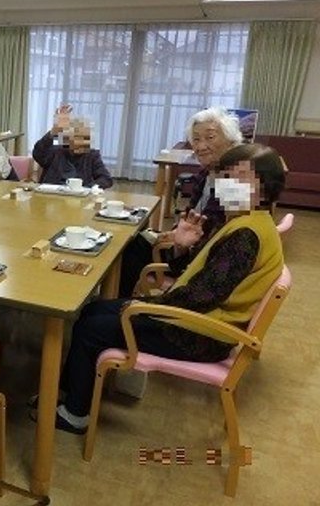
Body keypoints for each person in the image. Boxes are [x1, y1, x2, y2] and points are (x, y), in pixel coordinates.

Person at [37, 143, 285, 434]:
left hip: (201, 333)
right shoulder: (246, 222)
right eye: (226, 177)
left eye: (241, 180)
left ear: (265, 189)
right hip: (197, 319)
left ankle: (75, 413)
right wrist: (181, 247)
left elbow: (201, 297)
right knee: (93, 310)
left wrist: (144, 307)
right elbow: (202, 279)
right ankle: (68, 393)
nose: (229, 185)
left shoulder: (246, 234)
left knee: (92, 328)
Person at [118, 107, 243, 297]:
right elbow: (191, 216)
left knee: (129, 248)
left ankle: (121, 302)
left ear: (231, 141)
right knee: (135, 240)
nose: (200, 146)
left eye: (210, 137)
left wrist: (178, 241)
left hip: (197, 261)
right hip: (186, 243)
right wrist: (175, 231)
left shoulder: (235, 182)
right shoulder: (206, 174)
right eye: (196, 139)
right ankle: (121, 299)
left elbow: (218, 236)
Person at [32, 103, 113, 188]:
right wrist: (55, 131)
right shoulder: (56, 150)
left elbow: (106, 179)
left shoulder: (92, 155)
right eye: (77, 137)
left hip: (79, 193)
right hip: (53, 192)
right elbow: (38, 154)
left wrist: (87, 188)